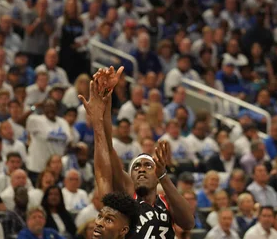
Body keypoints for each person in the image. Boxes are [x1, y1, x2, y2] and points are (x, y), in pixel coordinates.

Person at [78, 66, 194, 239]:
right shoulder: (126, 205)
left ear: (157, 175)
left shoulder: (166, 201)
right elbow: (108, 150)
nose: (141, 168)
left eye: (148, 165)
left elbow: (188, 223)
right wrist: (104, 109)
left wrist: (164, 176)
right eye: (136, 166)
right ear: (129, 177)